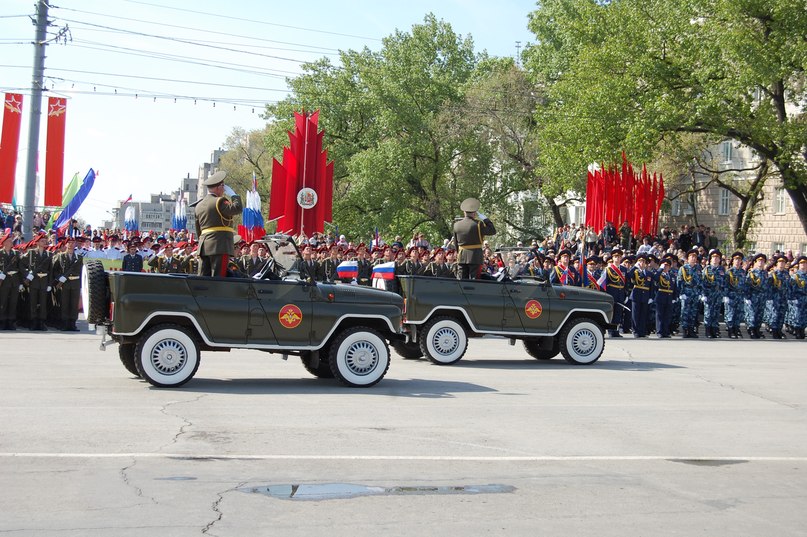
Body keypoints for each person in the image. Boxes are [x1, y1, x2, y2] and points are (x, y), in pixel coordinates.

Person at [194, 171, 243, 277]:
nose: (224, 189)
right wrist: (234, 195)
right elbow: (237, 208)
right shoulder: (219, 201)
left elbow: (198, 229)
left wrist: (204, 242)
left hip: (204, 245)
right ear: (217, 188)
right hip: (220, 245)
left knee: (203, 278)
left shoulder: (199, 205)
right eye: (222, 186)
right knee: (218, 278)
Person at [453, 197, 496, 279]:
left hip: (461, 255)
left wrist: (459, 253)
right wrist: (486, 219)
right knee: (474, 282)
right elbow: (492, 231)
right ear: (474, 213)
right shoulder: (478, 224)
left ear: (464, 212)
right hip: (475, 256)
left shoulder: (456, 225)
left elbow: (456, 243)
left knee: (461, 280)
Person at [51, 236, 83, 331]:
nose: (71, 244)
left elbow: (81, 272)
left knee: (74, 304)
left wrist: (81, 285)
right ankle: (64, 324)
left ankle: (73, 324)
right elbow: (55, 269)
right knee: (64, 303)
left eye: (73, 243)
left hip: (75, 282)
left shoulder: (79, 257)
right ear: (66, 244)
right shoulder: (60, 256)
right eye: (69, 243)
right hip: (64, 283)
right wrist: (59, 277)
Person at [701, 250, 727, 338]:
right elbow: (703, 283)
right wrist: (703, 294)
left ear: (720, 259)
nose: (715, 259)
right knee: (708, 312)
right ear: (710, 259)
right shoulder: (707, 269)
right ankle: (708, 330)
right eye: (713, 257)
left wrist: (724, 294)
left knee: (716, 313)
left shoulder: (722, 269)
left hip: (718, 294)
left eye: (717, 258)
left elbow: (725, 283)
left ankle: (714, 329)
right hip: (709, 294)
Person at [678, 248, 703, 338]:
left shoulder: (699, 269)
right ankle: (685, 330)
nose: (693, 258)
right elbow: (679, 282)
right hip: (686, 292)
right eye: (691, 257)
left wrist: (700, 293)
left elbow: (701, 282)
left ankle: (691, 329)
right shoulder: (683, 268)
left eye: (694, 257)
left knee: (693, 312)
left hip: (695, 292)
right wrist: (681, 293)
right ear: (688, 258)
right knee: (685, 312)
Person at [0, 229, 22, 330]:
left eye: (11, 241)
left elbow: (20, 268)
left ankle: (11, 321)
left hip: (14, 280)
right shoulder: (0, 253)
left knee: (13, 301)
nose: (10, 242)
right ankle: (2, 321)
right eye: (8, 241)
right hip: (3, 280)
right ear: (4, 243)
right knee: (3, 301)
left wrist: (21, 282)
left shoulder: (16, 254)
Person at [603, 247, 627, 337]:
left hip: (620, 292)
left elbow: (626, 282)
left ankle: (616, 331)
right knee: (611, 312)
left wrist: (626, 294)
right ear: (612, 258)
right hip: (612, 292)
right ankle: (610, 331)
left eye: (619, 257)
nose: (617, 258)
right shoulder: (608, 269)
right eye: (615, 257)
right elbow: (604, 282)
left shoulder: (624, 269)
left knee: (618, 312)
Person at [744, 253, 769, 339]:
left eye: (762, 261)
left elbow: (767, 286)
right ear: (755, 262)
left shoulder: (765, 273)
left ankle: (757, 329)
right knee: (752, 314)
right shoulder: (752, 273)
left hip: (762, 297)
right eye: (759, 261)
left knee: (760, 314)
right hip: (753, 297)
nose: (761, 263)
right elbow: (747, 286)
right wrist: (747, 297)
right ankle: (752, 330)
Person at [627, 253, 652, 338]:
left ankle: (641, 331)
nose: (642, 263)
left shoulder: (648, 273)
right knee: (635, 314)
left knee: (643, 314)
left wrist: (651, 297)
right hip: (636, 294)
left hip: (645, 295)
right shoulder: (635, 271)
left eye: (643, 262)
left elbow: (651, 286)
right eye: (640, 261)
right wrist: (634, 267)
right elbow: (628, 276)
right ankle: (635, 331)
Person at [652, 256, 676, 338]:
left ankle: (665, 331)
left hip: (669, 297)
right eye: (664, 266)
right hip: (661, 295)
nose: (666, 267)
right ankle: (659, 331)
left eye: (667, 266)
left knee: (667, 315)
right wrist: (660, 269)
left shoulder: (672, 276)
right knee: (660, 315)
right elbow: (655, 279)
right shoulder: (659, 274)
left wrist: (674, 298)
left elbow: (675, 287)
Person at [724, 252, 747, 339]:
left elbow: (745, 285)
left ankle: (736, 329)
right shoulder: (729, 272)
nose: (737, 261)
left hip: (740, 296)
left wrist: (745, 295)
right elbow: (725, 285)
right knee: (731, 313)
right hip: (731, 296)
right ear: (733, 261)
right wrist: (725, 296)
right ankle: (730, 330)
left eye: (739, 260)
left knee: (739, 313)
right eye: (736, 260)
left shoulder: (743, 272)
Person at [788, 256, 807, 339]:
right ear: (798, 265)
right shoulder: (795, 276)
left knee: (805, 315)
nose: (803, 265)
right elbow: (790, 289)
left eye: (805, 263)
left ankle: (802, 330)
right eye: (801, 263)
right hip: (797, 298)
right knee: (798, 315)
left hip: (805, 298)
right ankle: (797, 331)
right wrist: (791, 300)